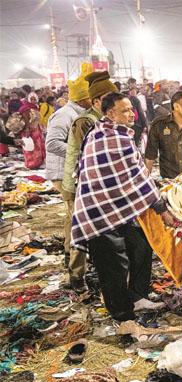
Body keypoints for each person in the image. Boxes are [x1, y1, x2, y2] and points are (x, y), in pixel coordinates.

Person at [71, 92, 174, 321]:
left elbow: (134, 177)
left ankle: (137, 297)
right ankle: (122, 314)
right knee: (114, 266)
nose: (131, 114)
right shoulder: (107, 137)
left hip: (118, 209)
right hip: (99, 211)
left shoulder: (117, 134)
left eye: (131, 109)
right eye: (125, 110)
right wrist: (161, 208)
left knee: (141, 247)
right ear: (110, 113)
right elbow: (136, 178)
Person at [45, 70, 92, 290]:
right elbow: (52, 143)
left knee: (72, 216)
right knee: (77, 218)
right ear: (85, 96)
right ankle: (74, 268)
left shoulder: (81, 112)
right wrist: (81, 152)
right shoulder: (65, 115)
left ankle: (69, 254)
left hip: (72, 171)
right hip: (64, 174)